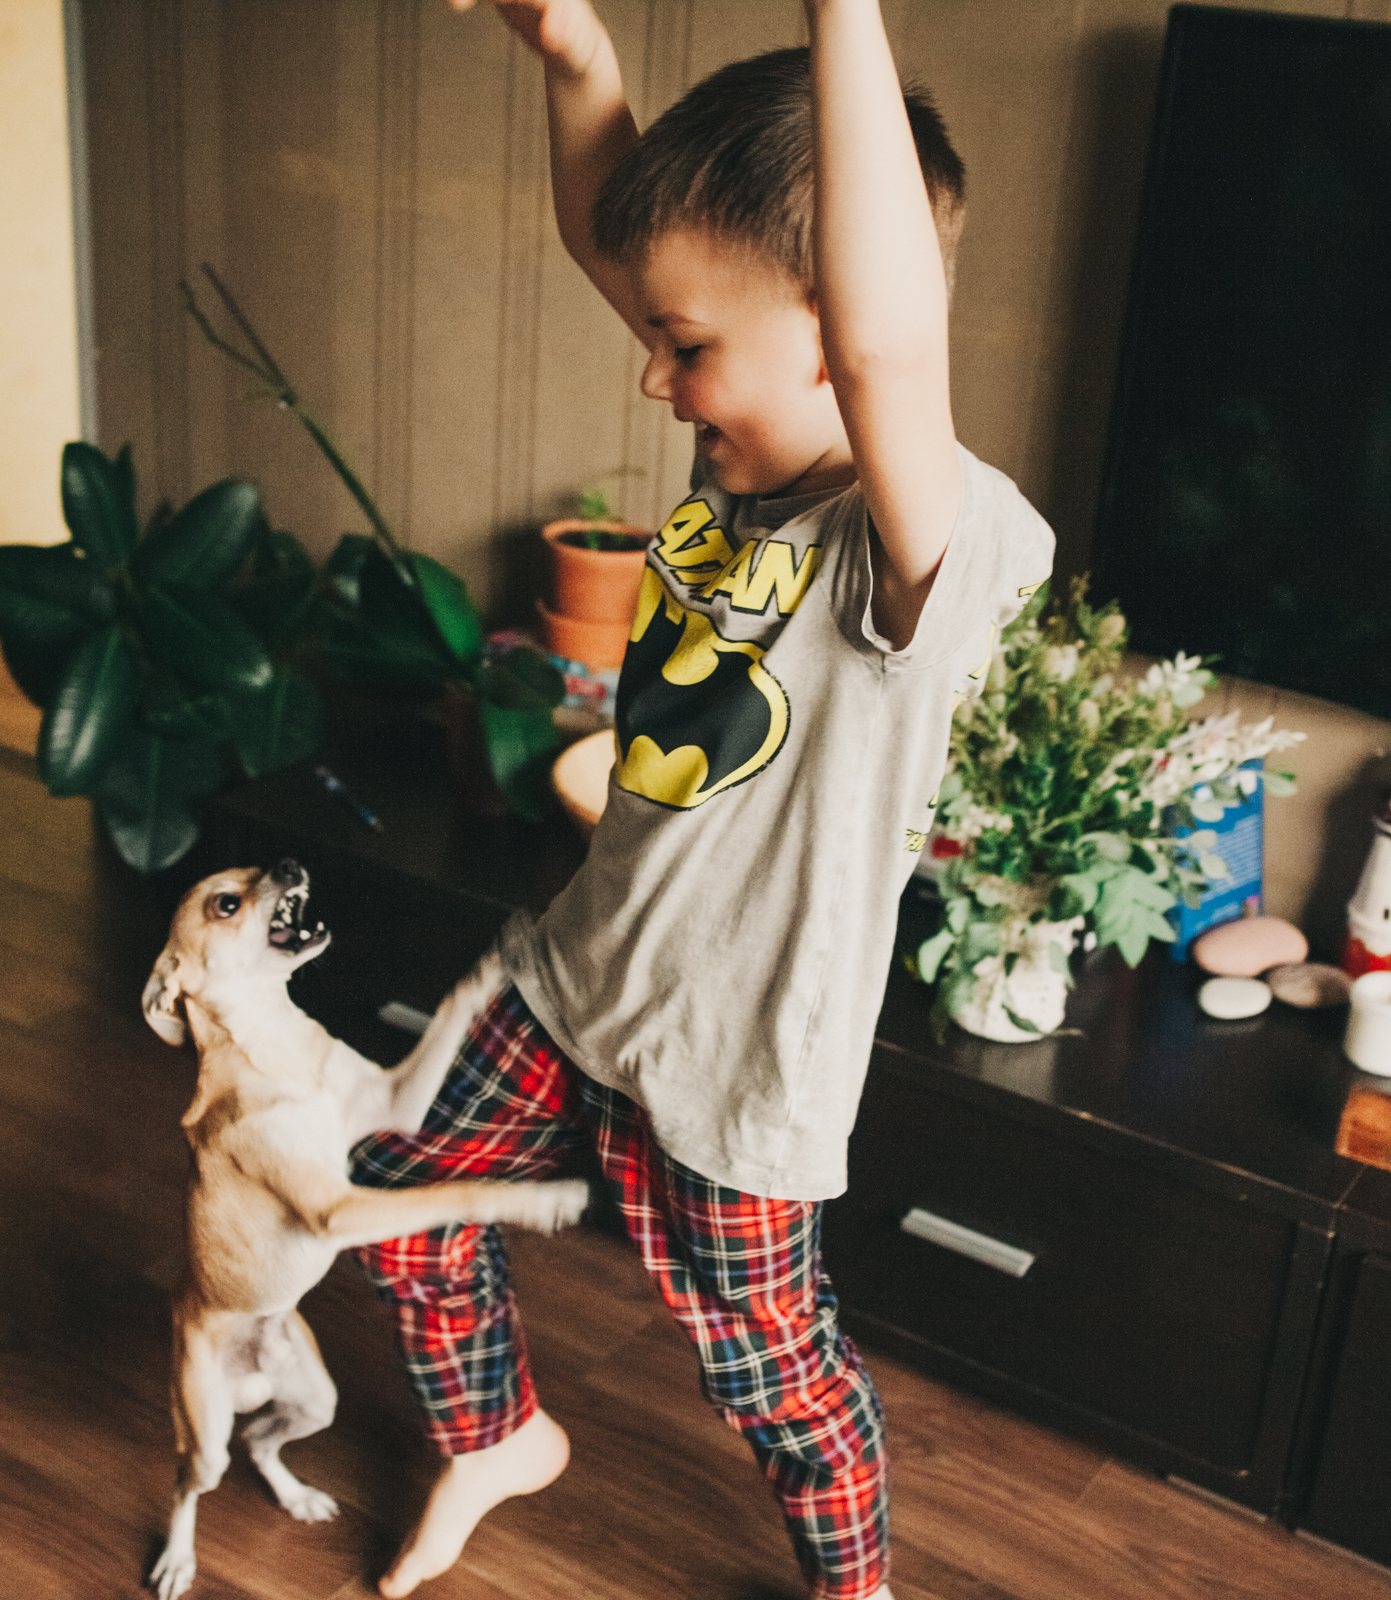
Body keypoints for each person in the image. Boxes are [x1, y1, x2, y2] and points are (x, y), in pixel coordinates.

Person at [351, 3, 1055, 1596]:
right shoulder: (741, 455)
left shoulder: (915, 550)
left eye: (685, 348)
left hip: (741, 1060)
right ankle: (492, 1436)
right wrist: (577, 60)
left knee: (771, 1372)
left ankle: (858, 1589)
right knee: (395, 1188)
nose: (654, 375)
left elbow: (890, 347)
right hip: (579, 973)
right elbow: (633, 246)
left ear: (828, 331)